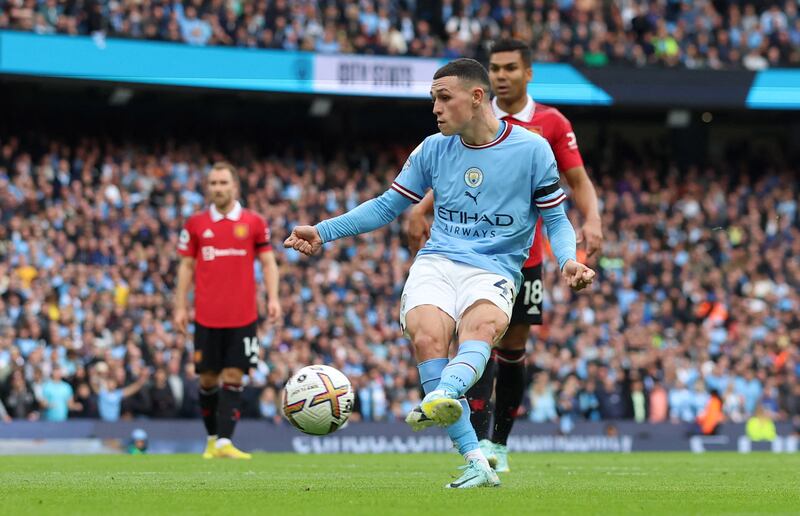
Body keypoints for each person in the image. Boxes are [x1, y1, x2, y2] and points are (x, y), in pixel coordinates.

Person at [284, 58, 595, 488]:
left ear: (477, 96)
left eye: (443, 98)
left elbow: (556, 219)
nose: (435, 108)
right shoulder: (431, 149)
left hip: (495, 269)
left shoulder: (532, 150)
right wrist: (322, 232)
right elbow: (385, 206)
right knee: (428, 337)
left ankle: (443, 396)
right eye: (433, 99)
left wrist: (568, 260)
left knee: (481, 329)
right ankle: (474, 459)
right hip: (438, 261)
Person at [406, 39, 603, 473]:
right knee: (478, 342)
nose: (501, 76)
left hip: (523, 255)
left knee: (512, 347)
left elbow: (577, 179)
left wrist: (592, 219)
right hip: (467, 252)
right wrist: (421, 207)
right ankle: (473, 437)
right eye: (495, 68)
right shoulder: (471, 116)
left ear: (527, 73)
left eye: (511, 68)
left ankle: (499, 443)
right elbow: (460, 176)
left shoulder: (548, 124)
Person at [175, 161, 282, 460]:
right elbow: (186, 266)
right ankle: (211, 439)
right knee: (208, 379)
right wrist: (180, 305)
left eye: (223, 183)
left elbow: (268, 261)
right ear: (208, 187)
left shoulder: (254, 222)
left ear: (235, 186)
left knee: (235, 374)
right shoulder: (195, 224)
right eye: (213, 183)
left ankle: (224, 442)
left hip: (243, 316)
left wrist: (273, 297)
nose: (218, 188)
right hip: (206, 316)